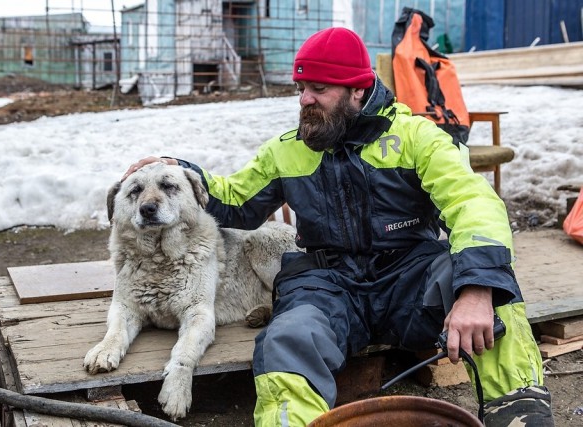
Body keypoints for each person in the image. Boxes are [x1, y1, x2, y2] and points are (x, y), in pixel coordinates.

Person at [124, 27, 554, 426]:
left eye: (319, 89)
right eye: (300, 89)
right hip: (328, 282)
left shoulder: (417, 137)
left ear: (358, 90)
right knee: (287, 338)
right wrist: (179, 171)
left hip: (410, 278)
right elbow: (235, 200)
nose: (305, 100)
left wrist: (476, 290)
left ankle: (520, 416)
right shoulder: (287, 150)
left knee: (496, 299)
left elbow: (473, 205)